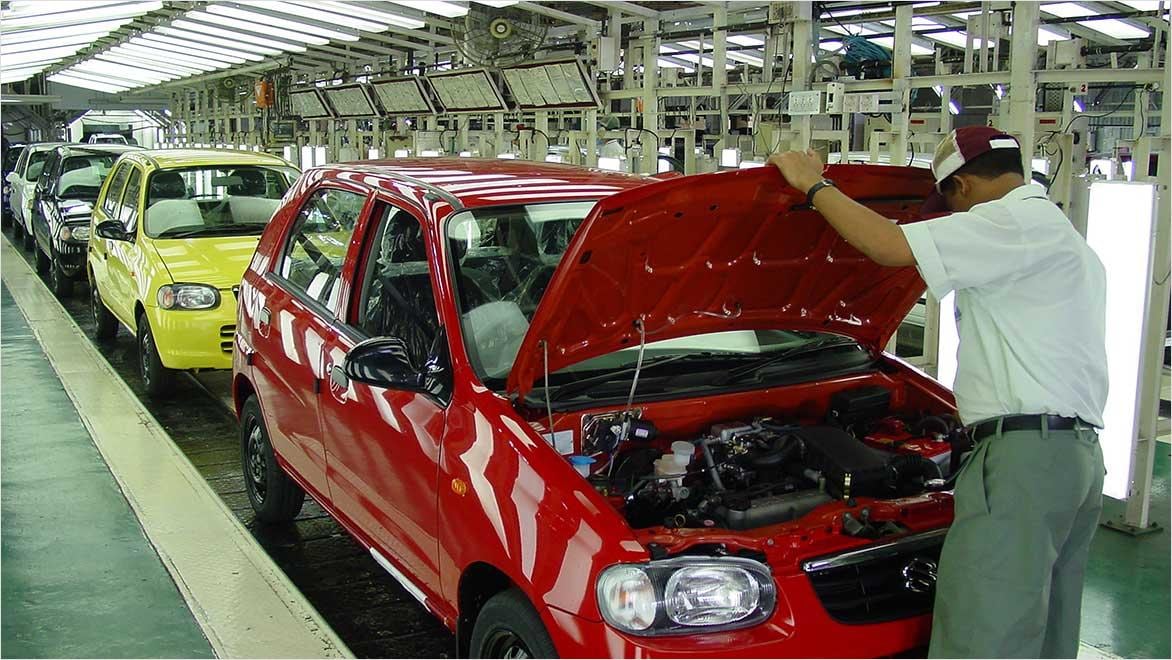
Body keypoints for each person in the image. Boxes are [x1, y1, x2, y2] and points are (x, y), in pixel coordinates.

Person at [769, 126, 1108, 659]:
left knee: (985, 633)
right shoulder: (1055, 232)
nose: (952, 213)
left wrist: (814, 185)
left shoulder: (1005, 224)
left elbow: (888, 245)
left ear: (964, 186)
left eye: (947, 199)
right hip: (1073, 459)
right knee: (1046, 632)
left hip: (1023, 459)